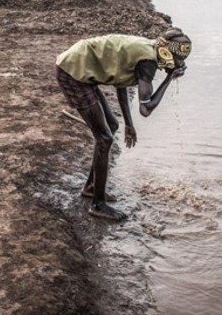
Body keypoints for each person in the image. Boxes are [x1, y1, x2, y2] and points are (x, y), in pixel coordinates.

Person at [55, 28, 192, 220]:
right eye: (178, 60)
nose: (179, 64)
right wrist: (169, 78)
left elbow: (121, 83)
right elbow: (146, 109)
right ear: (167, 52)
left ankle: (91, 187)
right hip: (73, 72)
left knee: (111, 127)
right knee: (104, 139)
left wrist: (129, 124)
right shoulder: (148, 61)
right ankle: (98, 205)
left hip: (83, 67)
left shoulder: (151, 48)